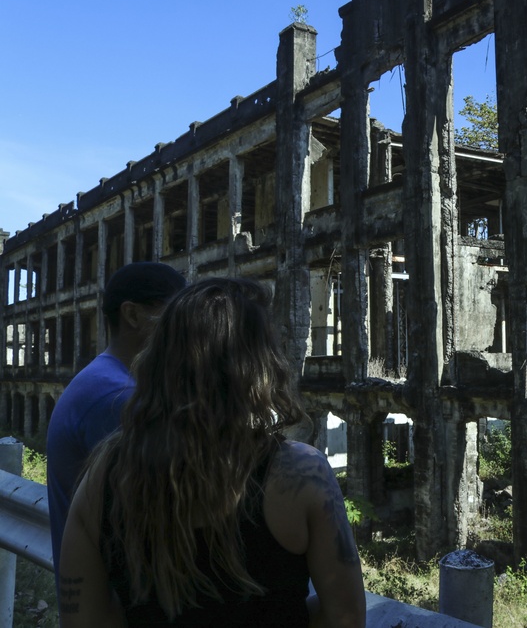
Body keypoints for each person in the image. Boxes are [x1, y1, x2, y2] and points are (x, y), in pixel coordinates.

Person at [57, 277, 366, 627]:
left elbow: (86, 620)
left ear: (159, 361)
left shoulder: (104, 474)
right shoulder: (300, 473)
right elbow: (345, 616)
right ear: (260, 365)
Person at [47, 261, 186, 578]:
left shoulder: (105, 379)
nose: (186, 327)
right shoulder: (117, 397)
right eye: (176, 314)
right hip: (114, 600)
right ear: (134, 315)